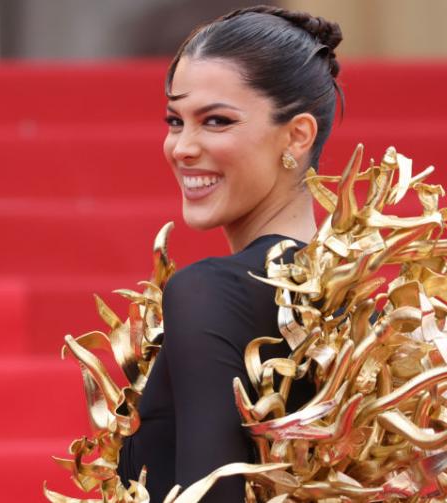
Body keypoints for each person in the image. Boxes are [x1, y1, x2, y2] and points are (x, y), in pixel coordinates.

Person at [116, 5, 344, 501]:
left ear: (297, 135)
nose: (182, 147)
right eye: (176, 121)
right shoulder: (355, 298)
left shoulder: (212, 292)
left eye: (216, 121)